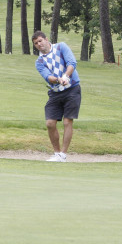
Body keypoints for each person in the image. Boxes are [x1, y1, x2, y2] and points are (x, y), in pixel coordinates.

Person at [32, 31, 81, 162]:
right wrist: (59, 79)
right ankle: (57, 153)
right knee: (50, 123)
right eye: (36, 43)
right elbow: (48, 77)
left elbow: (72, 63)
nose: (39, 44)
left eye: (40, 41)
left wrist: (66, 76)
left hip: (72, 89)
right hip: (55, 92)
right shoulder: (39, 61)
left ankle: (63, 155)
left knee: (67, 121)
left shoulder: (61, 47)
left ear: (46, 39)